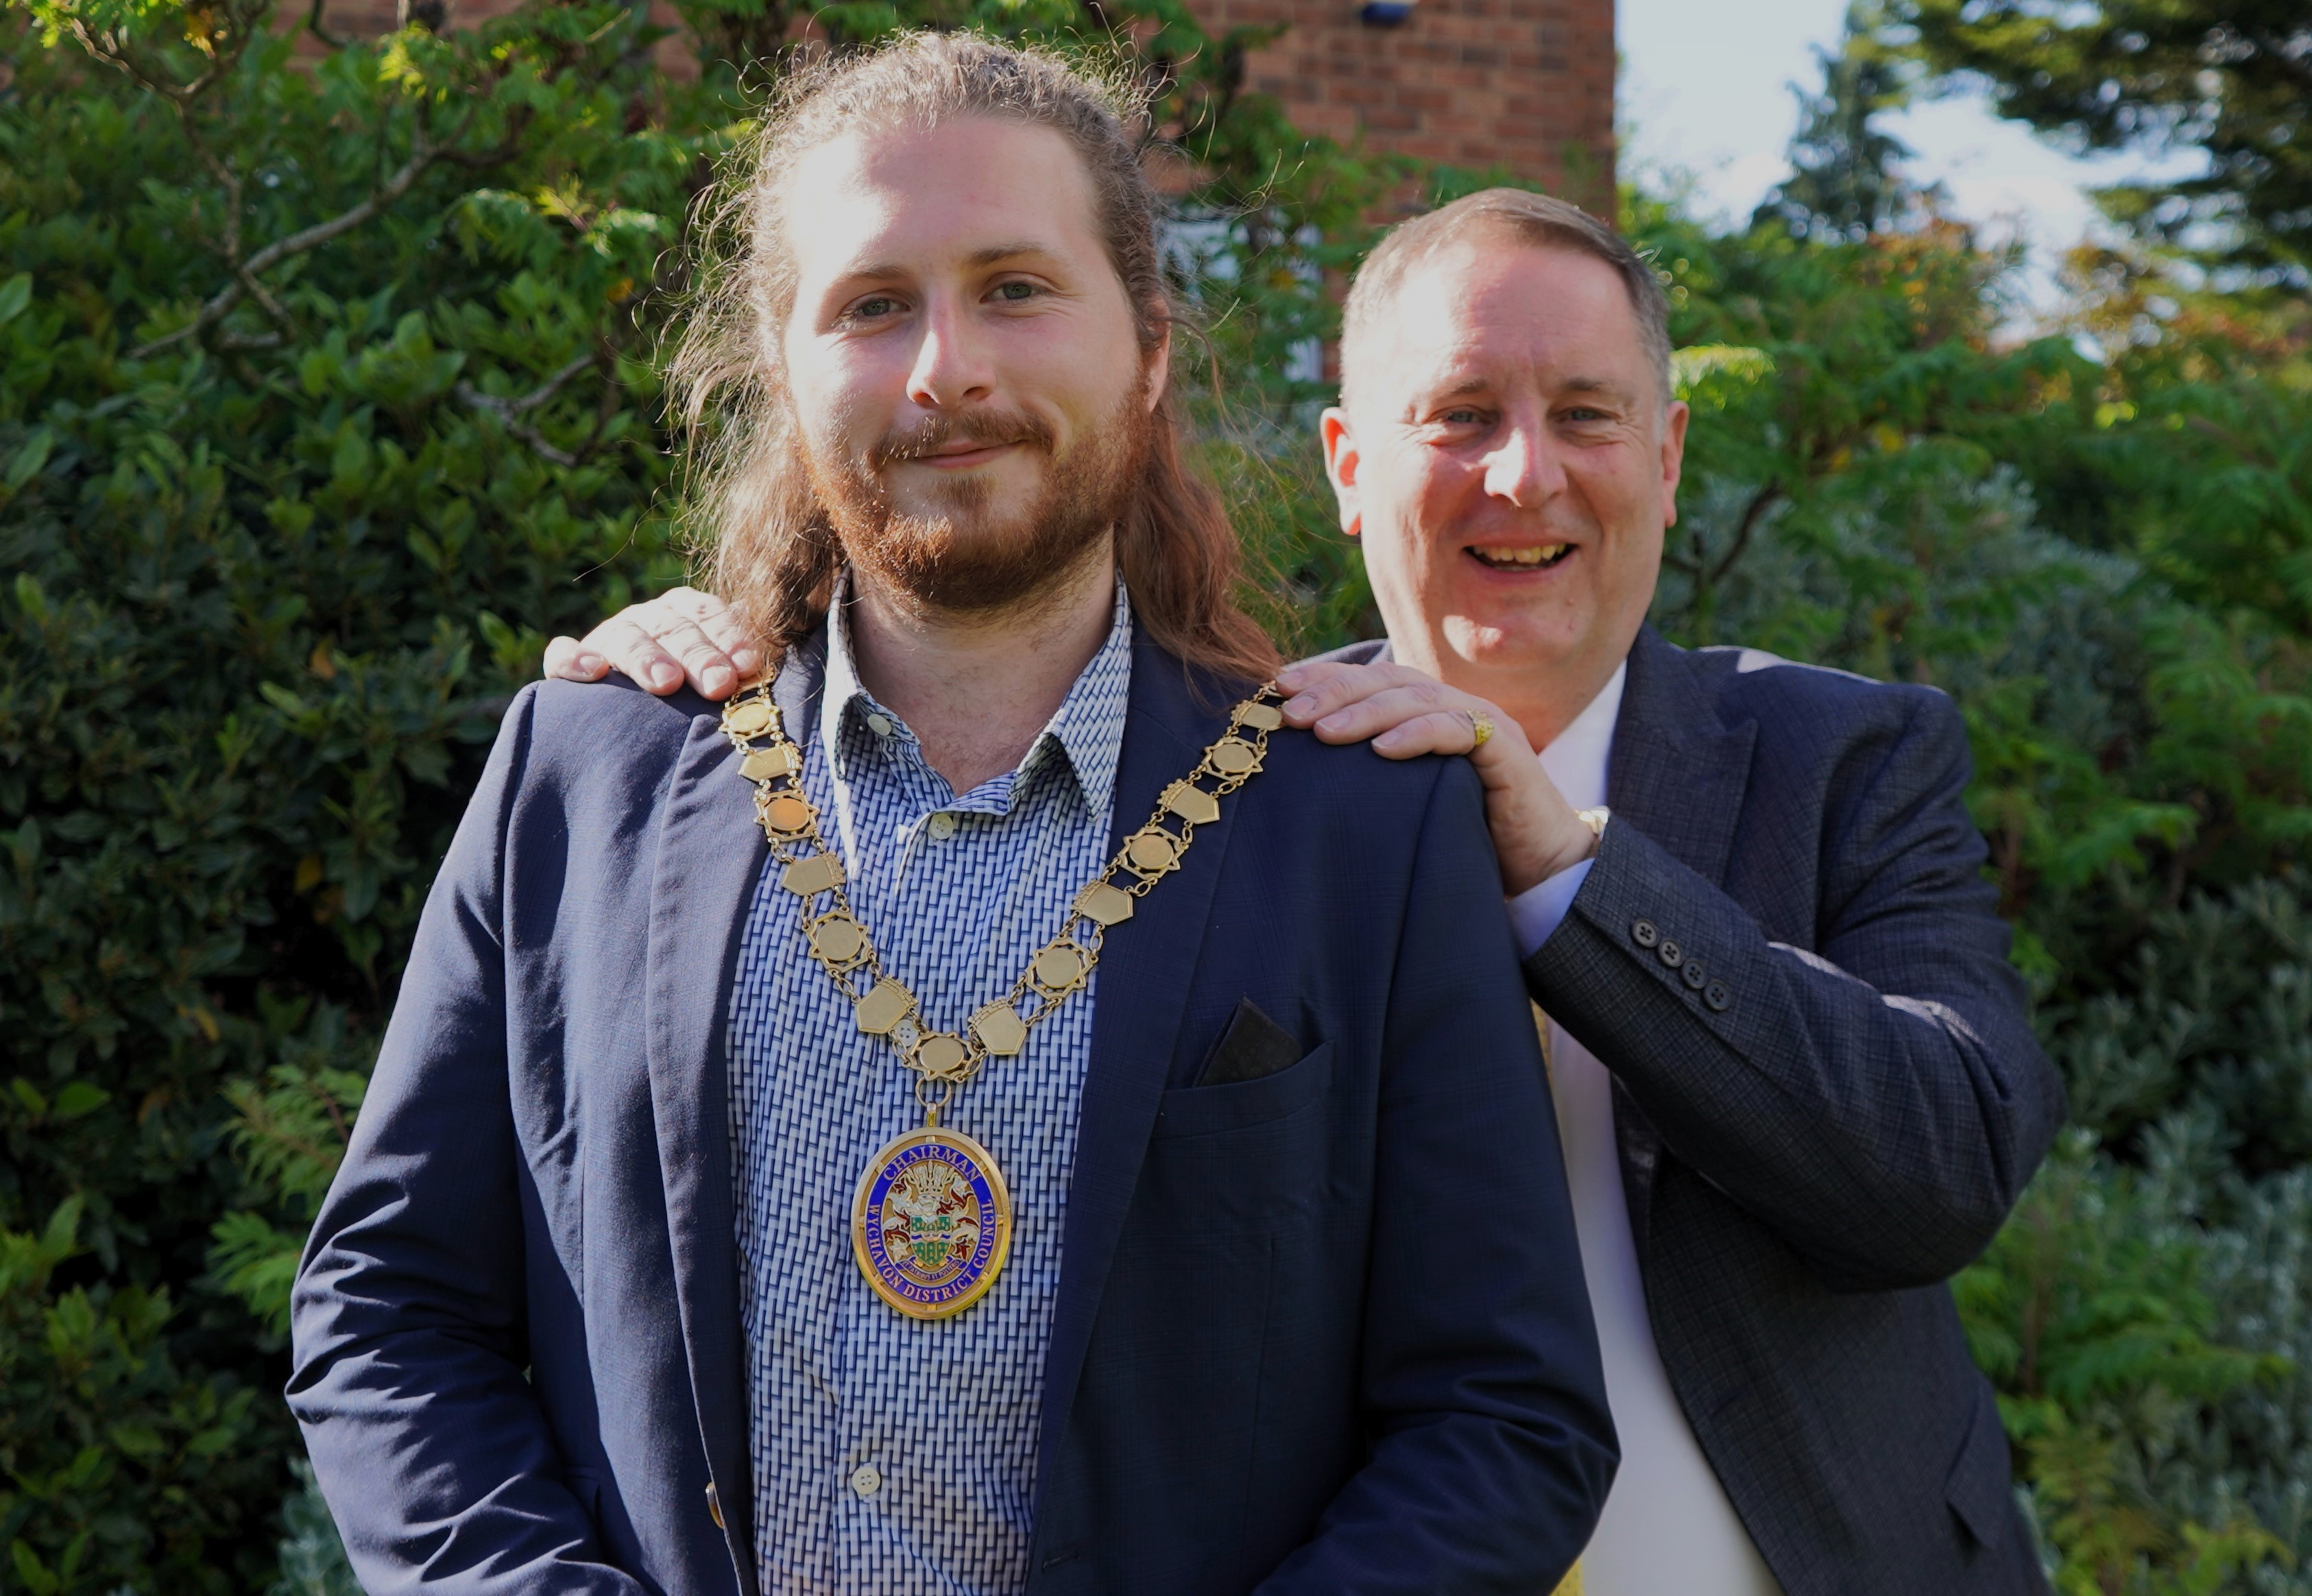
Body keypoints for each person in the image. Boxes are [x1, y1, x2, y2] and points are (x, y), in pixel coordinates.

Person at [561, 189, 2064, 1594]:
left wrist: (1569, 871)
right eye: (1459, 416)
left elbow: (1939, 1166)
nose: (1522, 473)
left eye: (1585, 417)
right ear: (1350, 468)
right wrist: (710, 663)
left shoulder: (1847, 755)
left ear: (1667, 458)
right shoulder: (1230, 787)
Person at [288, 39, 1615, 1596]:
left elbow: (1506, 1417)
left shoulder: (1358, 829)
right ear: (784, 367)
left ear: (1151, 350)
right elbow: (387, 1310)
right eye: (872, 305)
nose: (945, 370)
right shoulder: (583, 781)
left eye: (1014, 288)